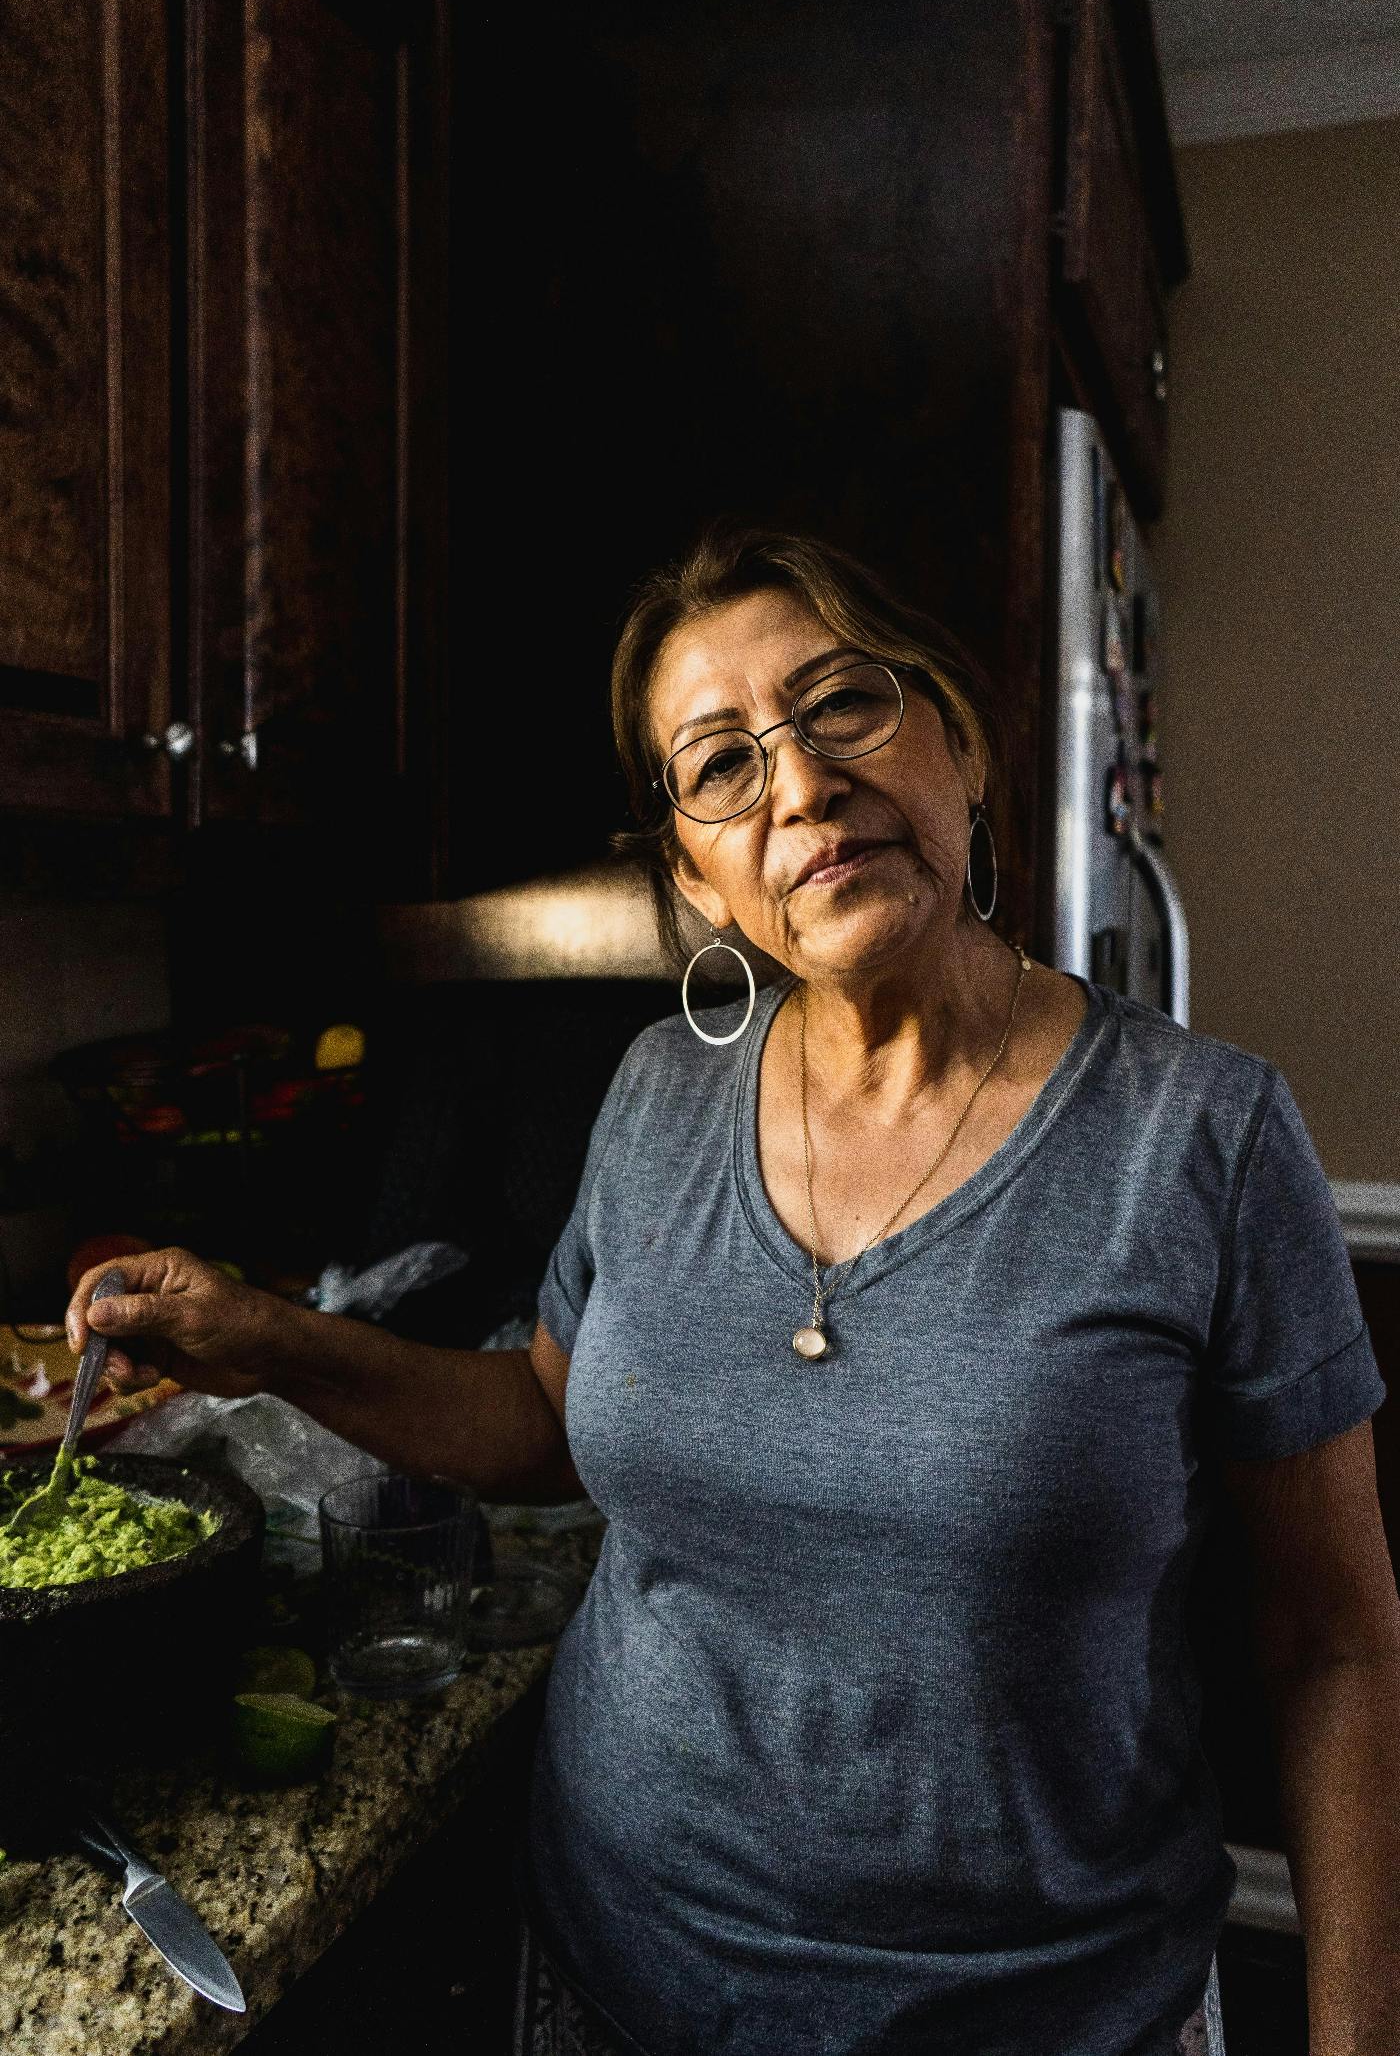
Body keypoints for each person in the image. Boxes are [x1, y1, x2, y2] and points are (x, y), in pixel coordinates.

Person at [69, 527, 1392, 2056]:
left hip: (1045, 2014)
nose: (802, 785)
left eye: (842, 704)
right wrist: (264, 1339)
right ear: (695, 869)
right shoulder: (656, 1094)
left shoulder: (1205, 1137)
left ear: (956, 738)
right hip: (617, 1975)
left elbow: (1335, 1646)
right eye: (720, 767)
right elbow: (548, 1424)